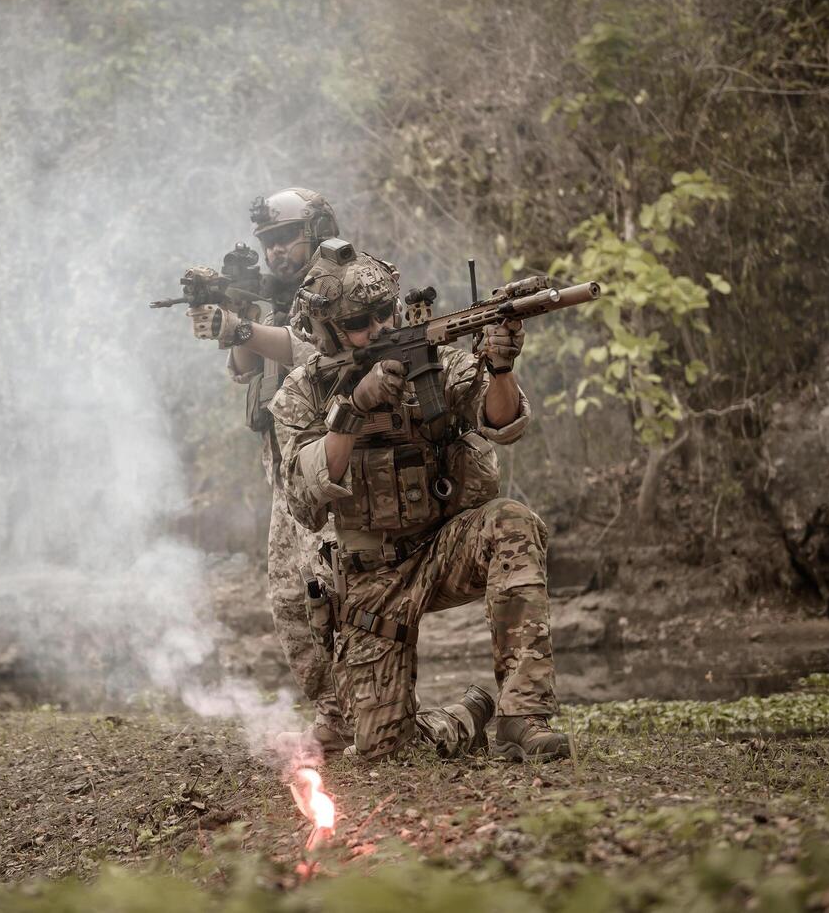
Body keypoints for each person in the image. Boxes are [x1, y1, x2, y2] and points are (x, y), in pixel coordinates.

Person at [268, 241, 570, 762]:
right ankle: (467, 715)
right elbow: (304, 496)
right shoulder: (302, 393)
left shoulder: (431, 363)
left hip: (444, 548)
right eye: (362, 320)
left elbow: (500, 423)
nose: (380, 327)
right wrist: (353, 408)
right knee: (384, 751)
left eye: (385, 311)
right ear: (328, 330)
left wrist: (500, 367)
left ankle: (523, 715)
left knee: (512, 523)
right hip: (372, 577)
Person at [185, 188, 352, 750]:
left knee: (335, 591)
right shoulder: (280, 296)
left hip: (331, 469)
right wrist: (237, 316)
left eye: (287, 238)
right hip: (285, 476)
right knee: (288, 600)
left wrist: (238, 327)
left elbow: (314, 353)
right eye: (269, 243)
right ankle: (333, 714)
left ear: (318, 230)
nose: (277, 251)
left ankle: (370, 705)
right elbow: (244, 368)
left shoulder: (342, 283)